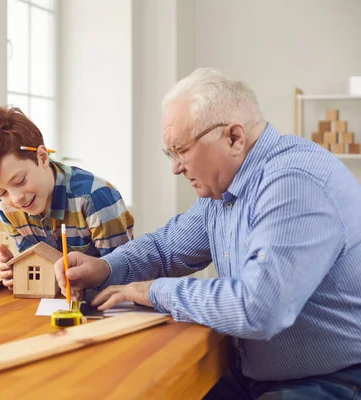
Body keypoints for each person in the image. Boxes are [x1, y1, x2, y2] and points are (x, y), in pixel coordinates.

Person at [54, 68, 361, 399]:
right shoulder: (224, 188)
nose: (175, 167)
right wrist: (106, 268)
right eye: (169, 153)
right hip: (252, 372)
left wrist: (152, 291)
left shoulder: (294, 183)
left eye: (180, 149)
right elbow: (165, 248)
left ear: (233, 137)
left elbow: (257, 309)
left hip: (330, 379)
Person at [0, 105, 134, 290]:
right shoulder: (6, 208)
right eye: (1, 193)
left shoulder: (95, 197)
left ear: (42, 158)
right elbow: (39, 266)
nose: (16, 199)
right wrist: (16, 271)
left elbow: (124, 273)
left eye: (20, 181)